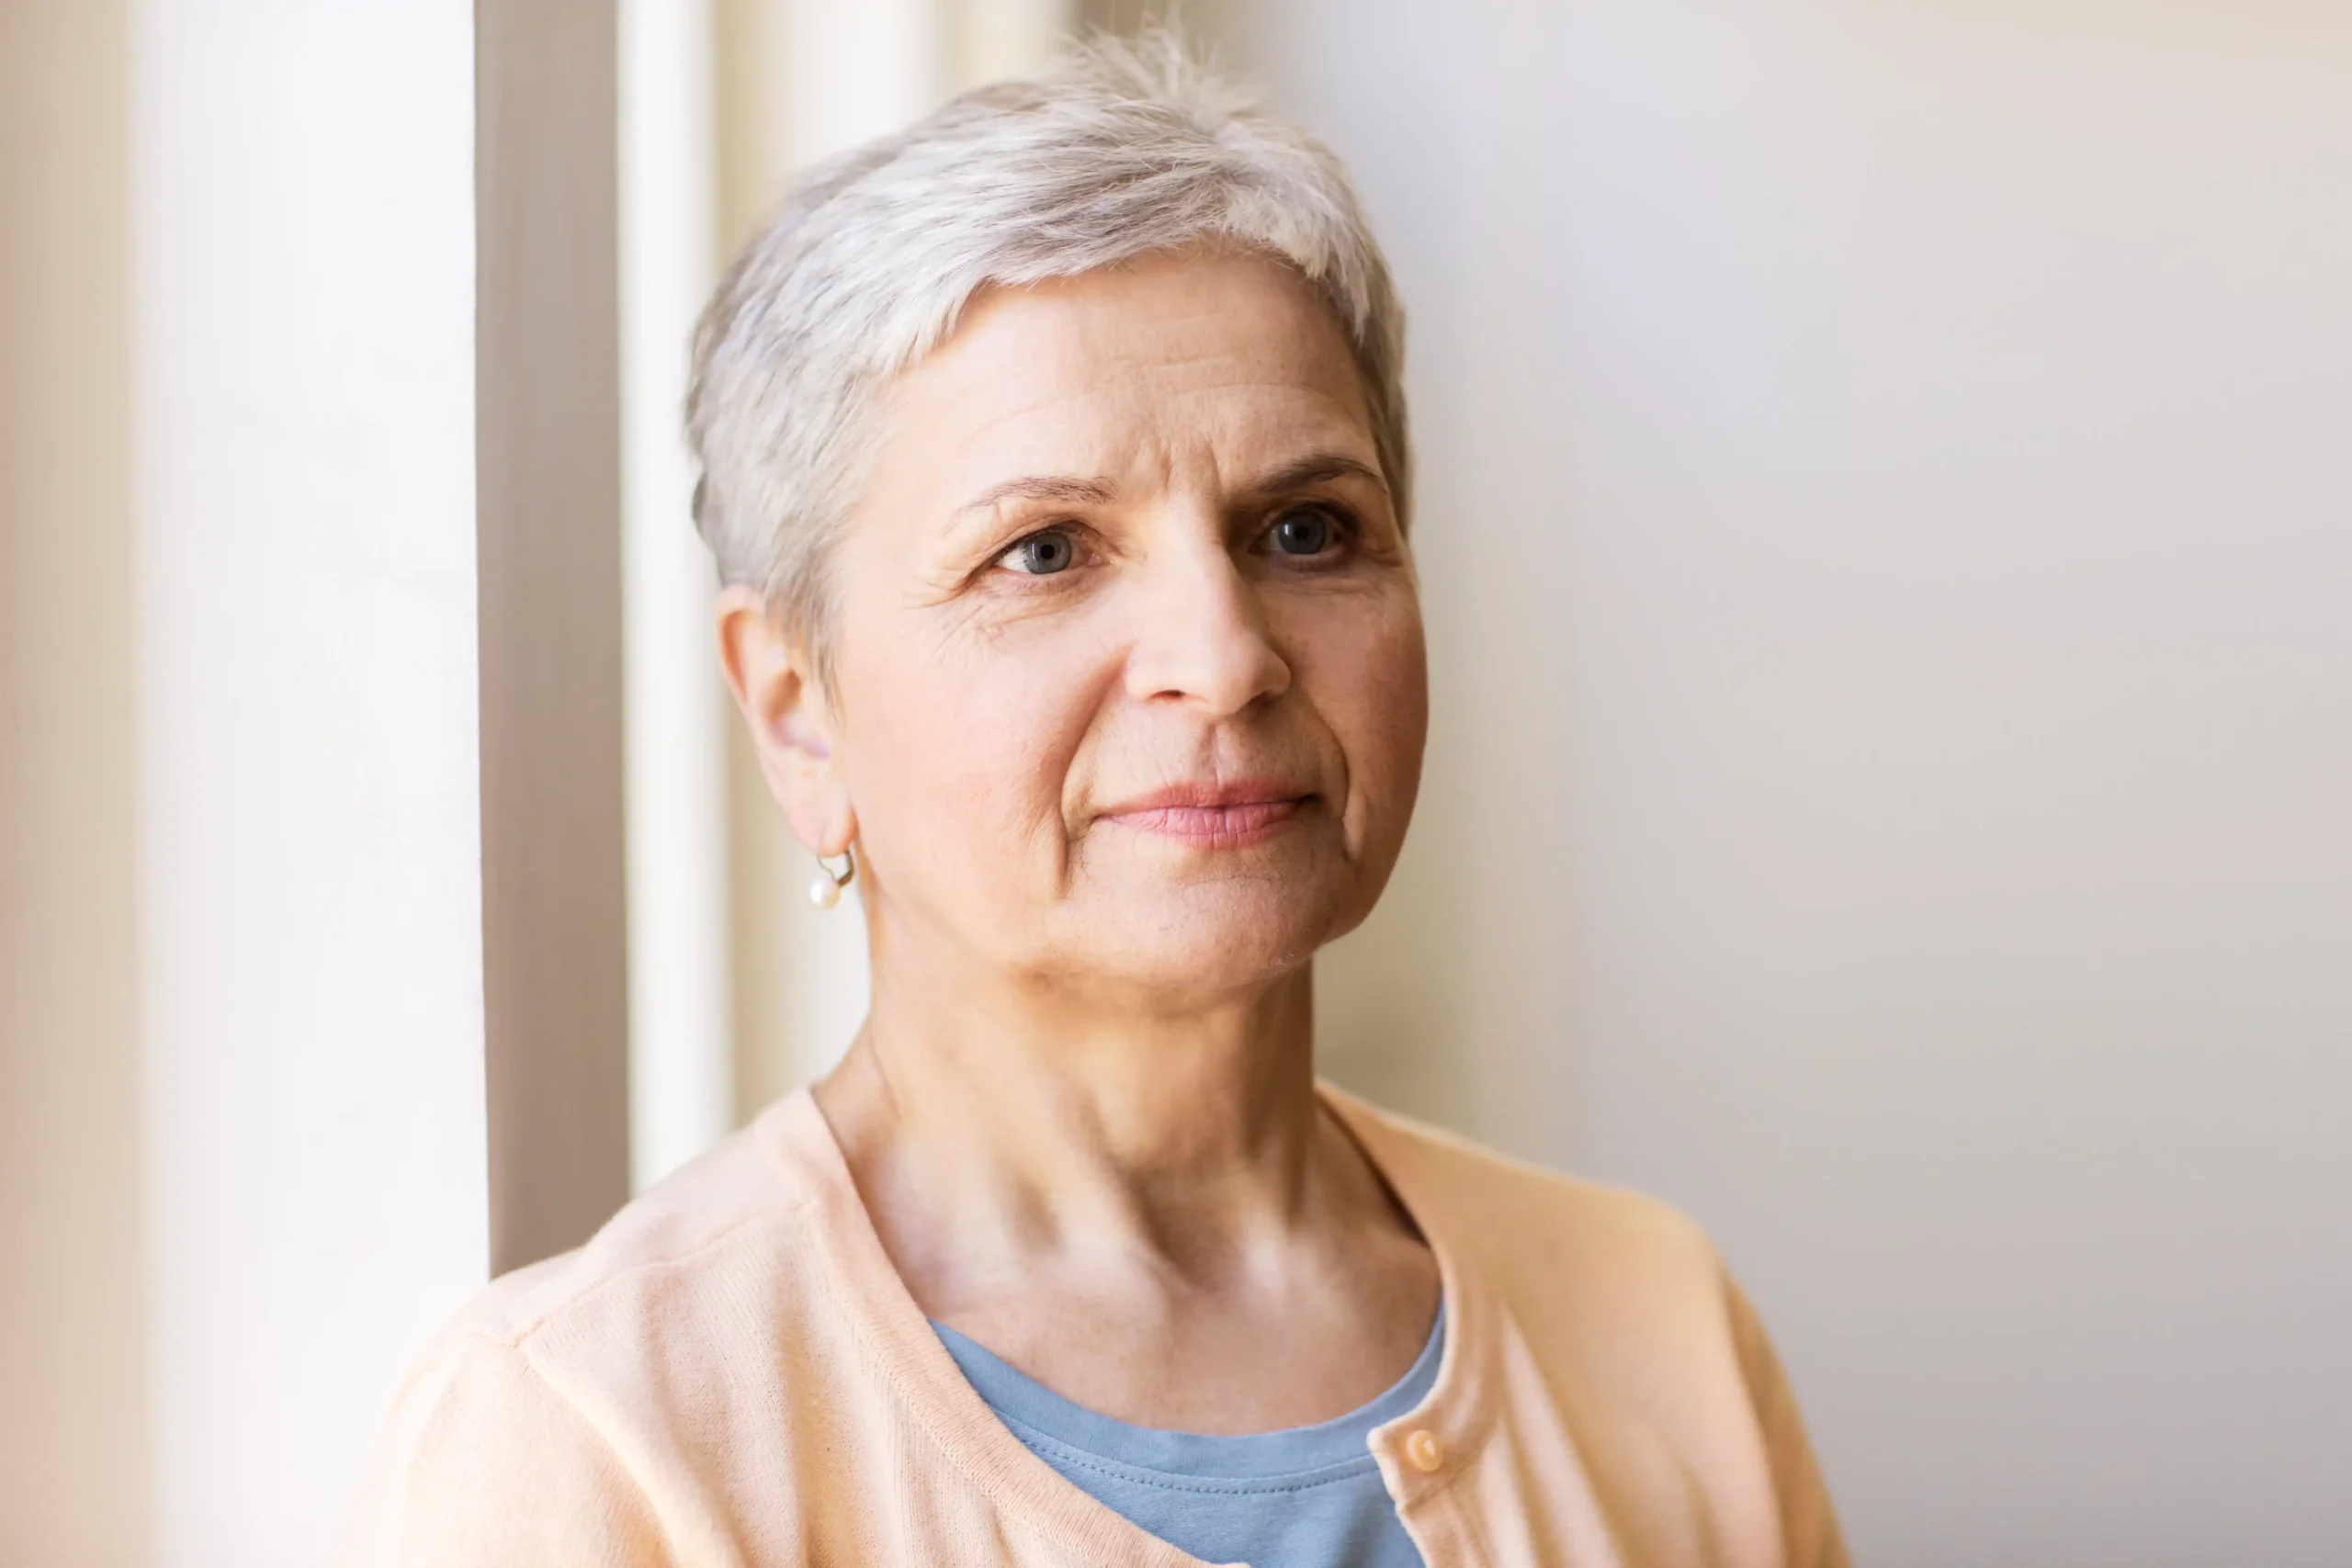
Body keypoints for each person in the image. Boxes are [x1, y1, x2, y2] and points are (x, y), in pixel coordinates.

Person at [342, 33, 1846, 1568]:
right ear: (798, 709)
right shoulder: (596, 1436)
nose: (1226, 657)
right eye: (1047, 549)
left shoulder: (1660, 1325)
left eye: (1309, 528)